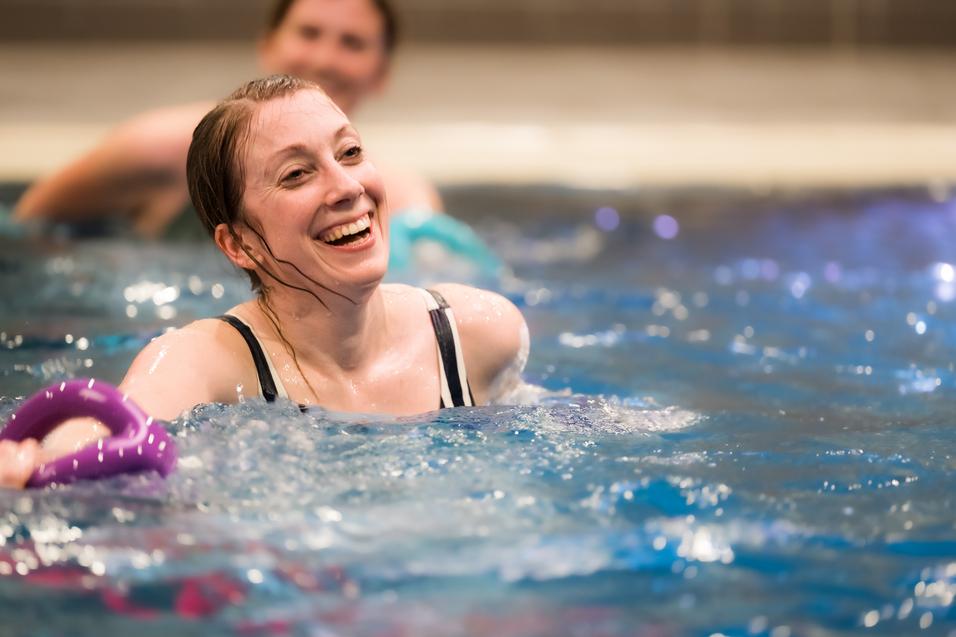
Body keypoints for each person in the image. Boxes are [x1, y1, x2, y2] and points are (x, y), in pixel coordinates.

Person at [0, 75, 529, 489]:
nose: (347, 187)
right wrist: (33, 460)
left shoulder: (476, 334)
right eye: (296, 174)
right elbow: (112, 428)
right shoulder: (206, 362)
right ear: (238, 245)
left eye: (349, 153)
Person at [13, 0, 442, 237]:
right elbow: (26, 230)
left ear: (381, 74)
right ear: (268, 45)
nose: (324, 58)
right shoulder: (161, 147)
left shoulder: (400, 199)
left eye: (352, 43)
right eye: (308, 33)